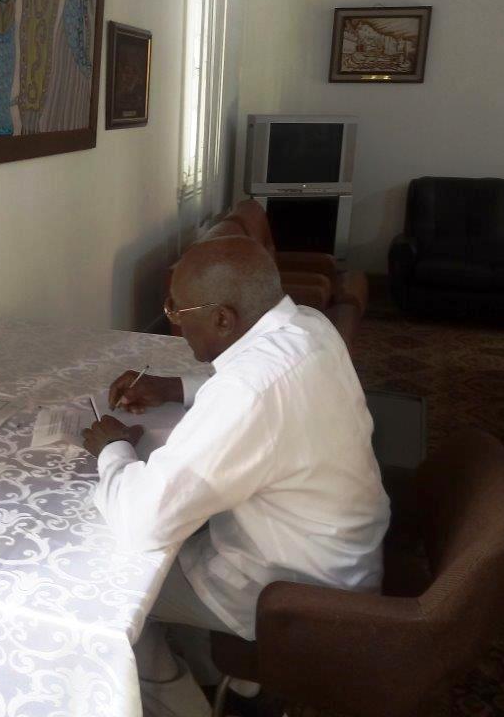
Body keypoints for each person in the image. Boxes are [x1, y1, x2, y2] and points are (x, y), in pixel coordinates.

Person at [82, 236, 390, 717]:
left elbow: (141, 521)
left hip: (291, 594)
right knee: (182, 531)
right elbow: (258, 380)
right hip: (340, 558)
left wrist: (113, 449)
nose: (174, 321)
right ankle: (227, 676)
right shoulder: (308, 325)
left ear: (223, 319)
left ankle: (181, 701)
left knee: (103, 589)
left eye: (179, 311)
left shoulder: (249, 391)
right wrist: (174, 386)